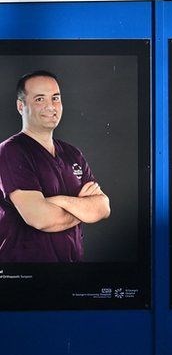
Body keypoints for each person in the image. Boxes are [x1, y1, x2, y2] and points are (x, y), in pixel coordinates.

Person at [0, 70, 110, 262]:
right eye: (39, 99)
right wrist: (83, 208)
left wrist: (59, 201)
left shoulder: (73, 153)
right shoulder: (11, 151)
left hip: (70, 270)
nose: (50, 106)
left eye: (55, 98)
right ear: (21, 106)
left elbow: (103, 208)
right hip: (27, 272)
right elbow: (41, 219)